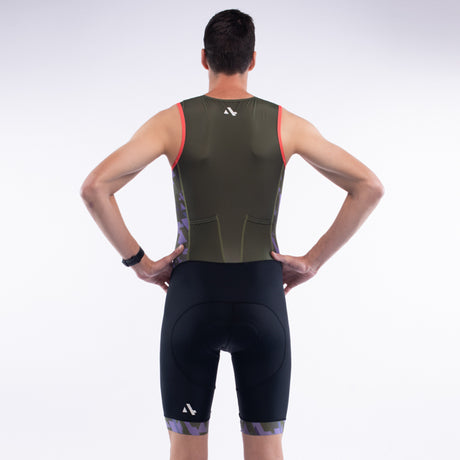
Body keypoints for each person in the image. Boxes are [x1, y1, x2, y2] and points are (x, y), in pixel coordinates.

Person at [80, 8, 384, 460]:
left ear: (204, 58)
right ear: (253, 60)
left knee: (185, 449)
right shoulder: (286, 124)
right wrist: (312, 261)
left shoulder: (173, 122)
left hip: (191, 300)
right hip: (264, 298)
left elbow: (95, 188)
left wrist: (139, 263)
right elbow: (368, 186)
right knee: (267, 448)